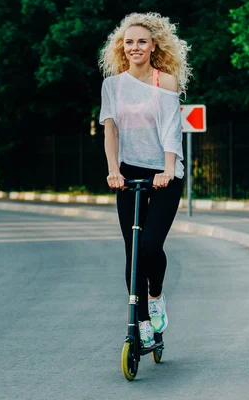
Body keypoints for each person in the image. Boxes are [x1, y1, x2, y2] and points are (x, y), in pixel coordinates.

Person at [98, 12, 191, 350]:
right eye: (129, 42)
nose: (135, 47)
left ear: (153, 47)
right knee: (133, 251)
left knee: (151, 245)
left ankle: (155, 297)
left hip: (165, 173)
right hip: (128, 172)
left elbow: (170, 129)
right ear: (122, 49)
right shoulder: (112, 85)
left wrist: (167, 170)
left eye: (141, 41)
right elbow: (111, 130)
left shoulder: (164, 82)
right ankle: (140, 324)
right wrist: (113, 170)